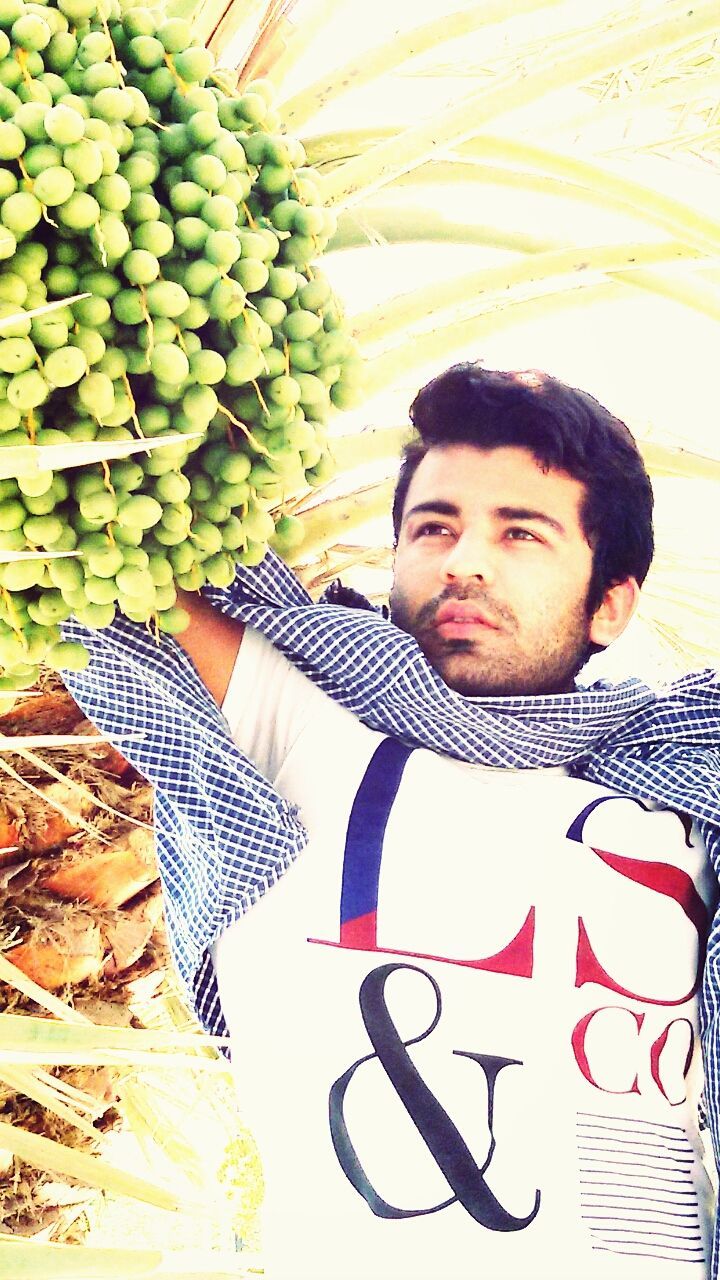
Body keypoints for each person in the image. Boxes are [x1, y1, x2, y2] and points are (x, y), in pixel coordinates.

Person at [62, 362, 720, 1280]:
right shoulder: (296, 729)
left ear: (611, 603)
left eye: (520, 533)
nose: (463, 559)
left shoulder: (685, 799)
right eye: (434, 527)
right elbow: (94, 520)